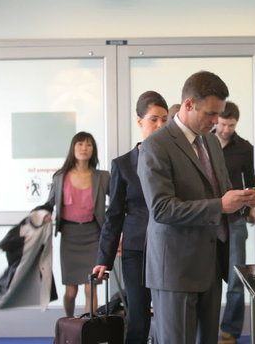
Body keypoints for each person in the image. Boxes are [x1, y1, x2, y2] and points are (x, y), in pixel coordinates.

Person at [137, 70, 255, 344]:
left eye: (220, 114)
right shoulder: (156, 146)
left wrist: (244, 200)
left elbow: (223, 194)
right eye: (210, 114)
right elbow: (161, 209)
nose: (216, 121)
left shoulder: (211, 142)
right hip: (175, 270)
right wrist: (220, 204)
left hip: (210, 264)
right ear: (189, 105)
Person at [93, 91, 169, 343]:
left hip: (170, 248)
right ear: (139, 121)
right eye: (153, 119)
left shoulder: (174, 161)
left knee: (170, 317)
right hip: (136, 249)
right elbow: (114, 214)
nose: (160, 125)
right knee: (138, 317)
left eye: (165, 120)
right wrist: (104, 257)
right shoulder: (123, 164)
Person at [44, 131, 110, 317]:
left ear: (93, 150)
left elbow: (119, 203)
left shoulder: (103, 177)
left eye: (88, 145)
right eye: (80, 144)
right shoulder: (60, 177)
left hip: (94, 236)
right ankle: (70, 323)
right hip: (69, 237)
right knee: (71, 293)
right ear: (73, 148)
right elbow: (49, 204)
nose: (84, 148)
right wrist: (43, 215)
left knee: (91, 290)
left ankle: (89, 330)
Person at [213, 101, 255, 344]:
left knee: (235, 277)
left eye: (231, 125)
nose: (226, 129)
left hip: (236, 218)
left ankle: (229, 333)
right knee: (207, 277)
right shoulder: (201, 143)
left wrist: (252, 207)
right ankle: (205, 328)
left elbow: (250, 180)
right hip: (208, 217)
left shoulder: (244, 148)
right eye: (223, 124)